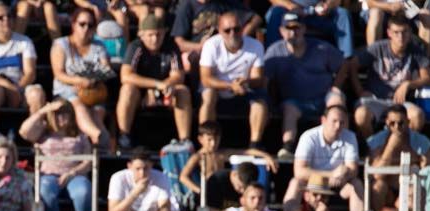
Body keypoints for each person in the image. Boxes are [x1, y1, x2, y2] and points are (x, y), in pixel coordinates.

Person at [264, 13, 347, 159]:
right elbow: (266, 80)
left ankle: (345, 146)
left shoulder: (321, 48)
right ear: (281, 31)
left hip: (323, 99)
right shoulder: (274, 52)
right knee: (289, 109)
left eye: (296, 28)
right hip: (294, 102)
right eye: (288, 28)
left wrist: (336, 86)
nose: (293, 32)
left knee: (337, 100)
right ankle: (288, 147)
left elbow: (344, 65)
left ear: (304, 29)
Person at [117, 15, 192, 149]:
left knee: (183, 91)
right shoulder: (136, 46)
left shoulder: (170, 46)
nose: (155, 39)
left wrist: (164, 86)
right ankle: (124, 135)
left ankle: (184, 140)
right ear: (142, 35)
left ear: (164, 33)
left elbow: (178, 75)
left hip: (165, 91)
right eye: (150, 35)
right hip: (140, 92)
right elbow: (126, 76)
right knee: (127, 89)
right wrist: (155, 85)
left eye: (158, 34)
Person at [198, 10, 268, 151]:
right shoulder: (211, 45)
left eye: (236, 29)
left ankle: (255, 144)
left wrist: (246, 82)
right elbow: (205, 79)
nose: (232, 33)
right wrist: (230, 86)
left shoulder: (256, 46)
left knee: (260, 103)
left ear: (242, 28)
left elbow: (258, 78)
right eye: (227, 30)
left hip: (244, 88)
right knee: (208, 96)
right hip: (217, 88)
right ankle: (206, 143)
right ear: (219, 31)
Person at [353, 12, 430, 138]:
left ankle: (403, 147)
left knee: (417, 116)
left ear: (410, 32)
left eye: (404, 32)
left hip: (401, 102)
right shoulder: (377, 48)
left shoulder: (416, 50)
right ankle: (373, 148)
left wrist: (408, 84)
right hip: (375, 99)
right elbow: (350, 66)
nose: (401, 36)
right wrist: (360, 91)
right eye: (396, 32)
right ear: (389, 33)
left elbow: (427, 78)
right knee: (361, 115)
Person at [282, 104, 362, 211]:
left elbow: (353, 170)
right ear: (323, 120)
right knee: (295, 183)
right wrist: (331, 175)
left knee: (356, 184)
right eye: (334, 121)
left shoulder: (350, 136)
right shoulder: (309, 137)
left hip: (337, 184)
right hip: (312, 184)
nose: (338, 126)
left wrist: (345, 172)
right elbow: (299, 171)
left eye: (342, 122)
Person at [178, 121, 274, 211]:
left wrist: (266, 156)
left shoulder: (222, 154)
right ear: (201, 139)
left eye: (216, 139)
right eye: (210, 139)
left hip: (223, 191)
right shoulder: (198, 156)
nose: (213, 143)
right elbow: (183, 177)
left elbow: (246, 152)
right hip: (207, 192)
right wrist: (199, 190)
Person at [49, 6, 112, 148]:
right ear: (73, 24)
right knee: (78, 104)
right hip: (67, 90)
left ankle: (98, 147)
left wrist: (91, 80)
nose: (86, 28)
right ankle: (97, 135)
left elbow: (106, 70)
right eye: (82, 24)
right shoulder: (61, 44)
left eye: (90, 25)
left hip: (92, 92)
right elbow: (58, 73)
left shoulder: (99, 46)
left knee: (98, 112)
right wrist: (78, 81)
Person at [21, 99, 93, 211]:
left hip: (75, 175)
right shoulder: (42, 133)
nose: (62, 116)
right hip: (48, 175)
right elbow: (24, 132)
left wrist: (72, 173)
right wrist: (44, 111)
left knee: (83, 192)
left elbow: (88, 162)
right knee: (45, 192)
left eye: (66, 112)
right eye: (58, 113)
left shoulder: (80, 136)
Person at [0, 2, 38, 128]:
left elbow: (30, 72)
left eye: (9, 16)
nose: (7, 19)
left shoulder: (24, 41)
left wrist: (18, 88)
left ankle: (36, 139)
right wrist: (7, 86)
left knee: (37, 94)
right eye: (1, 17)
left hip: (20, 85)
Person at [367, 103, 430, 211]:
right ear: (386, 122)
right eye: (392, 123)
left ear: (408, 122)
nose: (397, 127)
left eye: (401, 123)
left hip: (410, 188)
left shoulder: (421, 141)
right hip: (388, 191)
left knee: (416, 189)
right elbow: (377, 175)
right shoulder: (376, 141)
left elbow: (428, 172)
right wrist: (391, 146)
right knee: (378, 186)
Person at [264, 0, 354, 57]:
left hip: (318, 14)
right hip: (289, 11)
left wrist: (327, 5)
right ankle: (272, 59)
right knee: (275, 13)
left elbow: (338, 1)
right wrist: (292, 7)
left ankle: (346, 61)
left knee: (343, 14)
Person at [107, 151, 172, 211]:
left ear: (151, 165)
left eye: (145, 168)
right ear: (130, 166)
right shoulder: (118, 178)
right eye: (138, 169)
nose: (142, 173)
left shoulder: (161, 177)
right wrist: (135, 193)